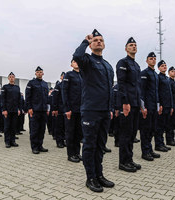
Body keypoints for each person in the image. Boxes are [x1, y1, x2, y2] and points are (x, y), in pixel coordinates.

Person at [73, 29, 115, 192]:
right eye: (95, 40)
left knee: (100, 145)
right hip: (91, 110)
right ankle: (90, 177)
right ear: (91, 44)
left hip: (104, 111)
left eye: (101, 40)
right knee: (90, 146)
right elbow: (77, 56)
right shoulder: (87, 61)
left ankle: (99, 175)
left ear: (104, 44)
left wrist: (110, 108)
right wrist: (85, 41)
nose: (98, 42)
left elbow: (110, 89)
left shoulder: (107, 65)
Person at [116, 37, 142, 172]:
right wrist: (125, 102)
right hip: (127, 105)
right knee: (125, 134)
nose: (134, 47)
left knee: (132, 134)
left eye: (135, 45)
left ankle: (129, 159)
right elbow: (121, 84)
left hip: (136, 104)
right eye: (131, 45)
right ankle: (123, 162)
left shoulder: (136, 66)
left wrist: (141, 104)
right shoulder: (123, 63)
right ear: (126, 48)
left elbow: (138, 87)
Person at [140, 52, 161, 161]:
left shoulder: (155, 75)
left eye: (154, 58)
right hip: (147, 107)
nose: (153, 60)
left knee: (153, 129)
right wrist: (143, 107)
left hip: (154, 107)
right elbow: (141, 91)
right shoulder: (144, 73)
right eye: (151, 58)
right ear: (147, 61)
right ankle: (145, 152)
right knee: (145, 130)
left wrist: (159, 105)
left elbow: (157, 92)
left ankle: (150, 149)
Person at [62, 59, 83, 162]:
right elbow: (64, 92)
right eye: (74, 62)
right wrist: (67, 109)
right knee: (70, 133)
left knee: (78, 133)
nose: (76, 63)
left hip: (81, 109)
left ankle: (77, 153)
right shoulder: (68, 75)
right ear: (71, 64)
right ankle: (71, 155)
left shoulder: (83, 75)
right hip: (71, 109)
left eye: (77, 61)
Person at [25, 66, 50, 154]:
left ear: (43, 73)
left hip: (43, 110)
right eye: (38, 72)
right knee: (34, 129)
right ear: (35, 73)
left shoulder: (45, 84)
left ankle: (40, 145)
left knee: (42, 129)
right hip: (34, 110)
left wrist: (47, 108)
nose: (39, 73)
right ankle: (34, 147)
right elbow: (27, 96)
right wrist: (29, 108)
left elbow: (46, 97)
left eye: (41, 72)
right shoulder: (31, 83)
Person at [155, 60, 173, 152]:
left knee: (166, 125)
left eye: (165, 65)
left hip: (168, 105)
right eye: (162, 66)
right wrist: (160, 104)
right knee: (160, 126)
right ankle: (158, 144)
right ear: (158, 68)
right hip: (162, 106)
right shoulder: (158, 78)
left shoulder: (166, 78)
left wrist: (171, 106)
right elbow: (157, 92)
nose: (164, 67)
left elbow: (169, 94)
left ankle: (163, 143)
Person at [1, 72, 22, 148]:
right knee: (7, 127)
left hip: (15, 110)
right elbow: (2, 99)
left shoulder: (17, 88)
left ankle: (13, 141)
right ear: (8, 78)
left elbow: (19, 99)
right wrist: (4, 109)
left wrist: (19, 109)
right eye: (10, 77)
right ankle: (7, 141)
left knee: (13, 127)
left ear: (15, 78)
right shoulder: (5, 87)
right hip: (7, 110)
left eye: (13, 77)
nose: (11, 78)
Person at [52, 72, 66, 148]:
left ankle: (63, 140)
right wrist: (55, 108)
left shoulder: (68, 85)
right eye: (62, 76)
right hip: (59, 109)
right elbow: (55, 98)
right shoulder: (58, 86)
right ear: (60, 77)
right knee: (59, 127)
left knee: (64, 127)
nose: (64, 77)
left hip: (65, 109)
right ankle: (59, 142)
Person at [167, 67, 175, 146]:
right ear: (169, 73)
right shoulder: (169, 82)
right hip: (171, 105)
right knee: (170, 124)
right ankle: (169, 140)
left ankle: (172, 139)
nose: (174, 73)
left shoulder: (174, 83)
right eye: (172, 71)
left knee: (174, 123)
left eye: (174, 71)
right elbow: (170, 95)